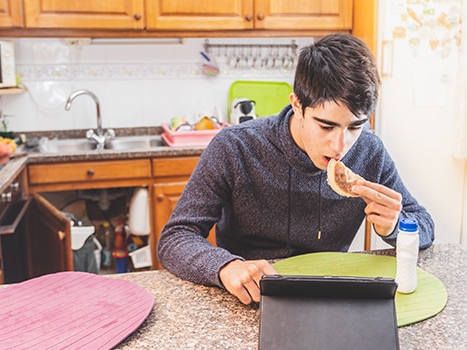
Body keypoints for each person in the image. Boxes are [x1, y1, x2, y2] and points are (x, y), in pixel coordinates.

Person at [157, 33, 434, 305]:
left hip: (328, 296)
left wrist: (396, 226)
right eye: (326, 126)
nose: (340, 145)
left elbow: (424, 224)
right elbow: (175, 238)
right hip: (250, 297)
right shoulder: (234, 147)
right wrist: (225, 266)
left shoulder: (370, 151)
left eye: (355, 126)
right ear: (297, 105)